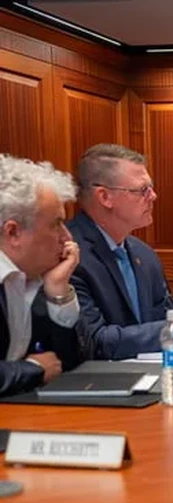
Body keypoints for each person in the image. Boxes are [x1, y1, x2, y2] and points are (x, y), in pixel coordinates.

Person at [68, 144, 173, 360]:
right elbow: (95, 342)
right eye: (142, 190)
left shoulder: (144, 254)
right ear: (105, 197)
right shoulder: (69, 254)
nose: (154, 196)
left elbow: (164, 322)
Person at [0, 154, 87, 396]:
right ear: (13, 232)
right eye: (56, 224)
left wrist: (58, 292)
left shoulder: (32, 277)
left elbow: (68, 364)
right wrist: (32, 370)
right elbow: (43, 368)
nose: (67, 237)